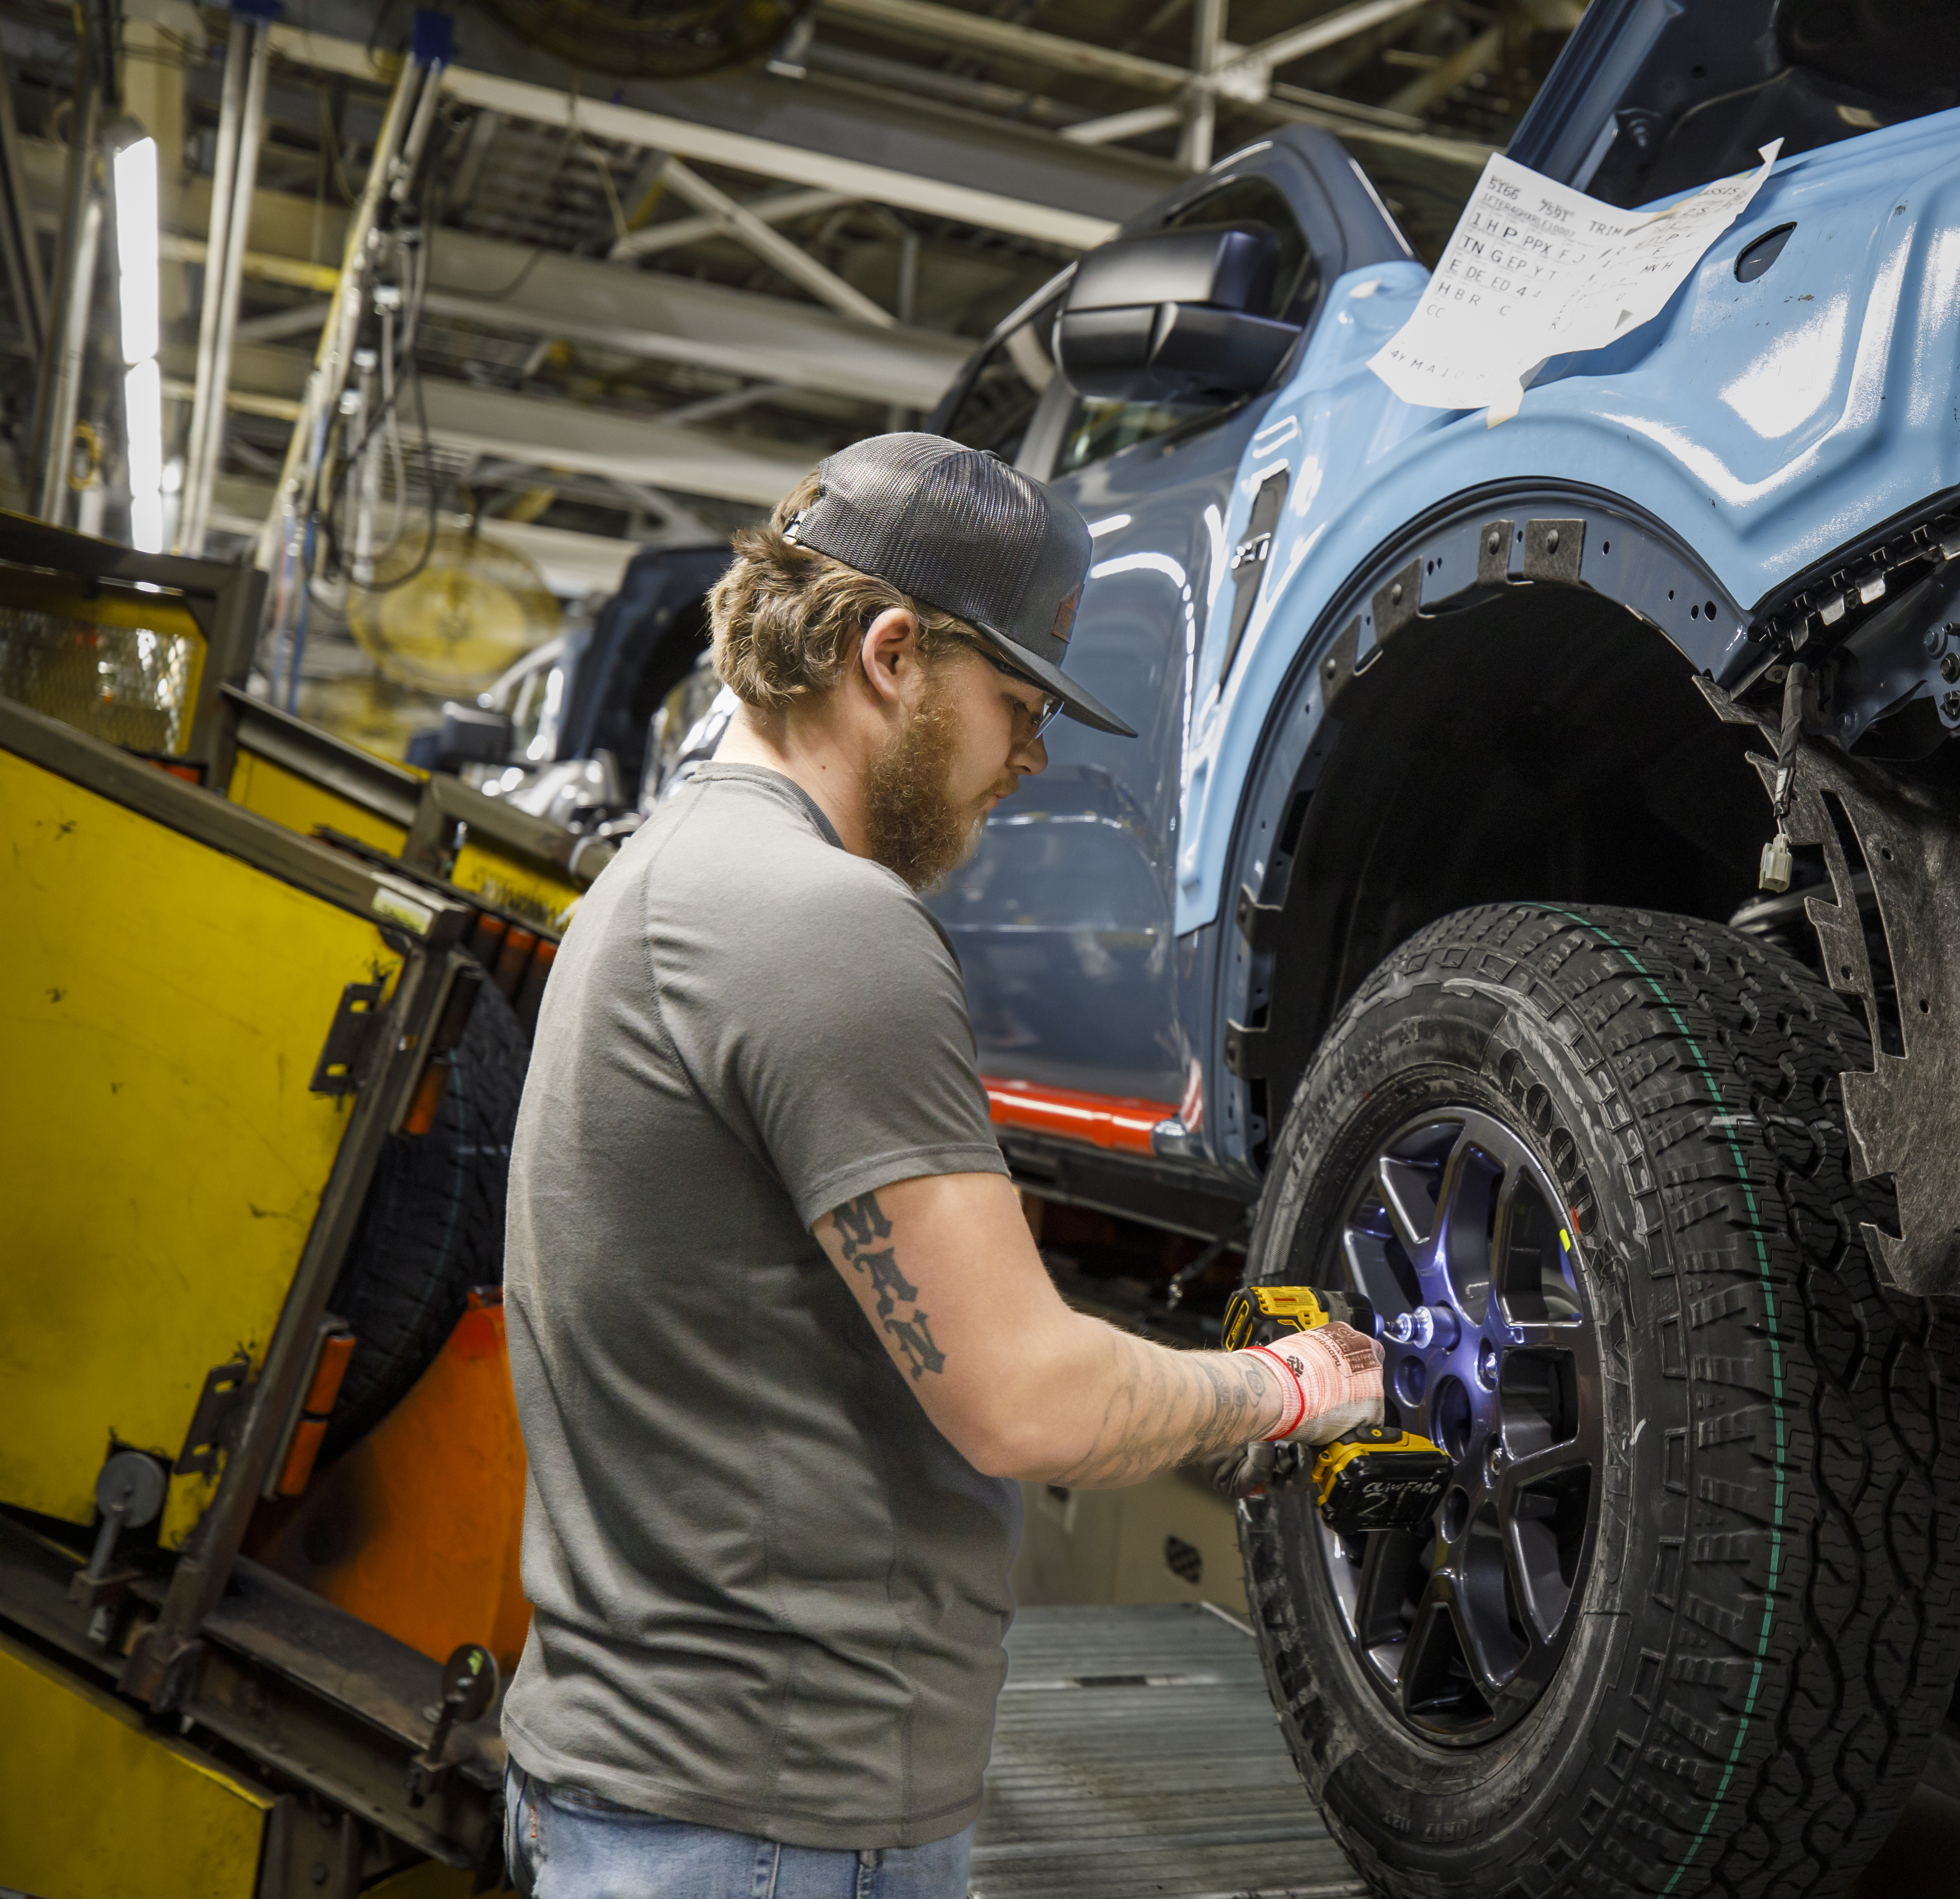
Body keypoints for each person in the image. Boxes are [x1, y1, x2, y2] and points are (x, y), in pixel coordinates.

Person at [496, 434, 1380, 1896]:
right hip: (765, 1824)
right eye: (1018, 704)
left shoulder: (652, 885)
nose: (1029, 763)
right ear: (893, 654)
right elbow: (1024, 1401)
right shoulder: (820, 923)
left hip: (665, 1791)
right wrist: (1294, 1392)